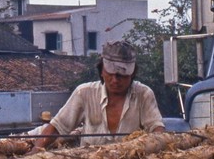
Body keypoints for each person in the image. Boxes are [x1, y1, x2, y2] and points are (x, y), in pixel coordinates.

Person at [33, 41, 165, 148]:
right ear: (101, 70)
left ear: (132, 74)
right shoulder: (84, 93)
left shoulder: (143, 95)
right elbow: (57, 126)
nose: (115, 80)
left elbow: (157, 129)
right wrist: (36, 150)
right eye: (110, 74)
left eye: (120, 76)